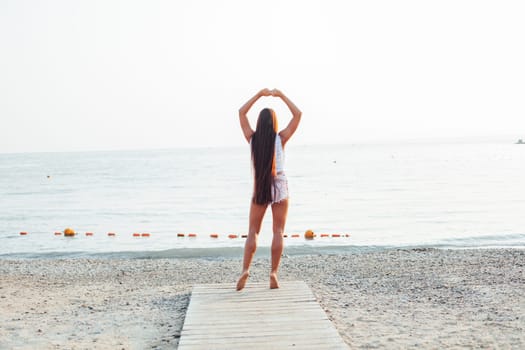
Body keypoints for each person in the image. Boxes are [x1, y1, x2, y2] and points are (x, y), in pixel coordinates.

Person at [236, 88, 302, 291]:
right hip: (280, 184)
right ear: (274, 124)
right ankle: (273, 272)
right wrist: (281, 95)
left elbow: (241, 112)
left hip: (261, 184)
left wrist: (257, 95)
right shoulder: (281, 139)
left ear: (258, 124)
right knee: (278, 231)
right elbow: (298, 114)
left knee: (253, 231)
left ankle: (245, 270)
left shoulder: (252, 139)